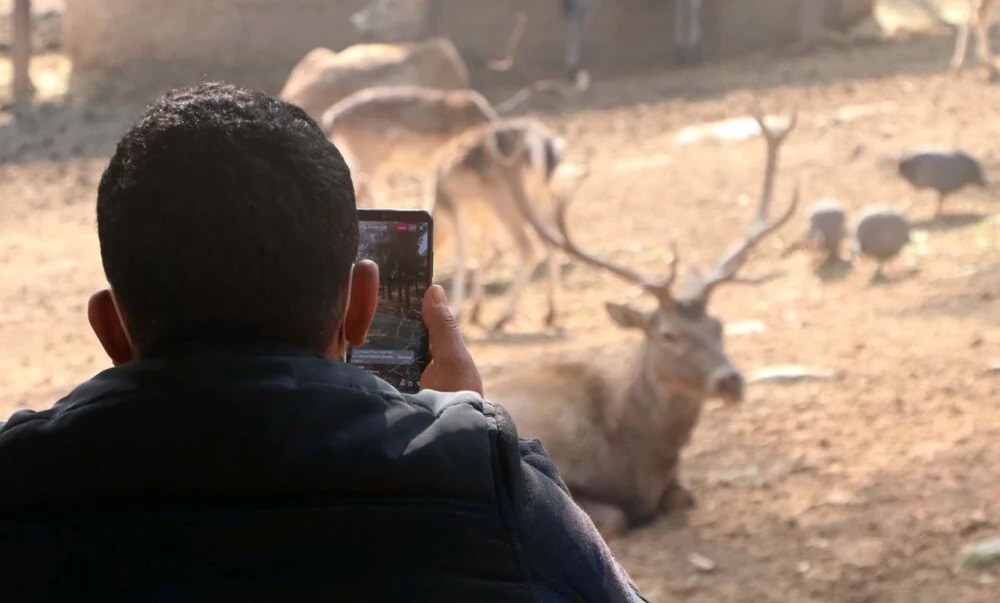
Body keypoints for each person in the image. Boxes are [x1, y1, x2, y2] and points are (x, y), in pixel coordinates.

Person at [0, 82, 648, 602]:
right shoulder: (483, 478)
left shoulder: (22, 482)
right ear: (361, 308)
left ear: (110, 328)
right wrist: (461, 436)